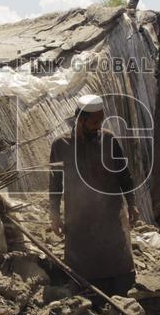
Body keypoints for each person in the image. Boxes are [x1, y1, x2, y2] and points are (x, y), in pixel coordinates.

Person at [48, 94, 140, 297]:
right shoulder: (61, 145)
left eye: (101, 120)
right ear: (81, 120)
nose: (98, 126)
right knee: (83, 269)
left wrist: (132, 203)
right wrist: (54, 215)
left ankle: (123, 297)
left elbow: (124, 175)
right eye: (94, 122)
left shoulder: (109, 139)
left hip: (111, 214)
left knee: (119, 265)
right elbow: (55, 184)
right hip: (80, 217)